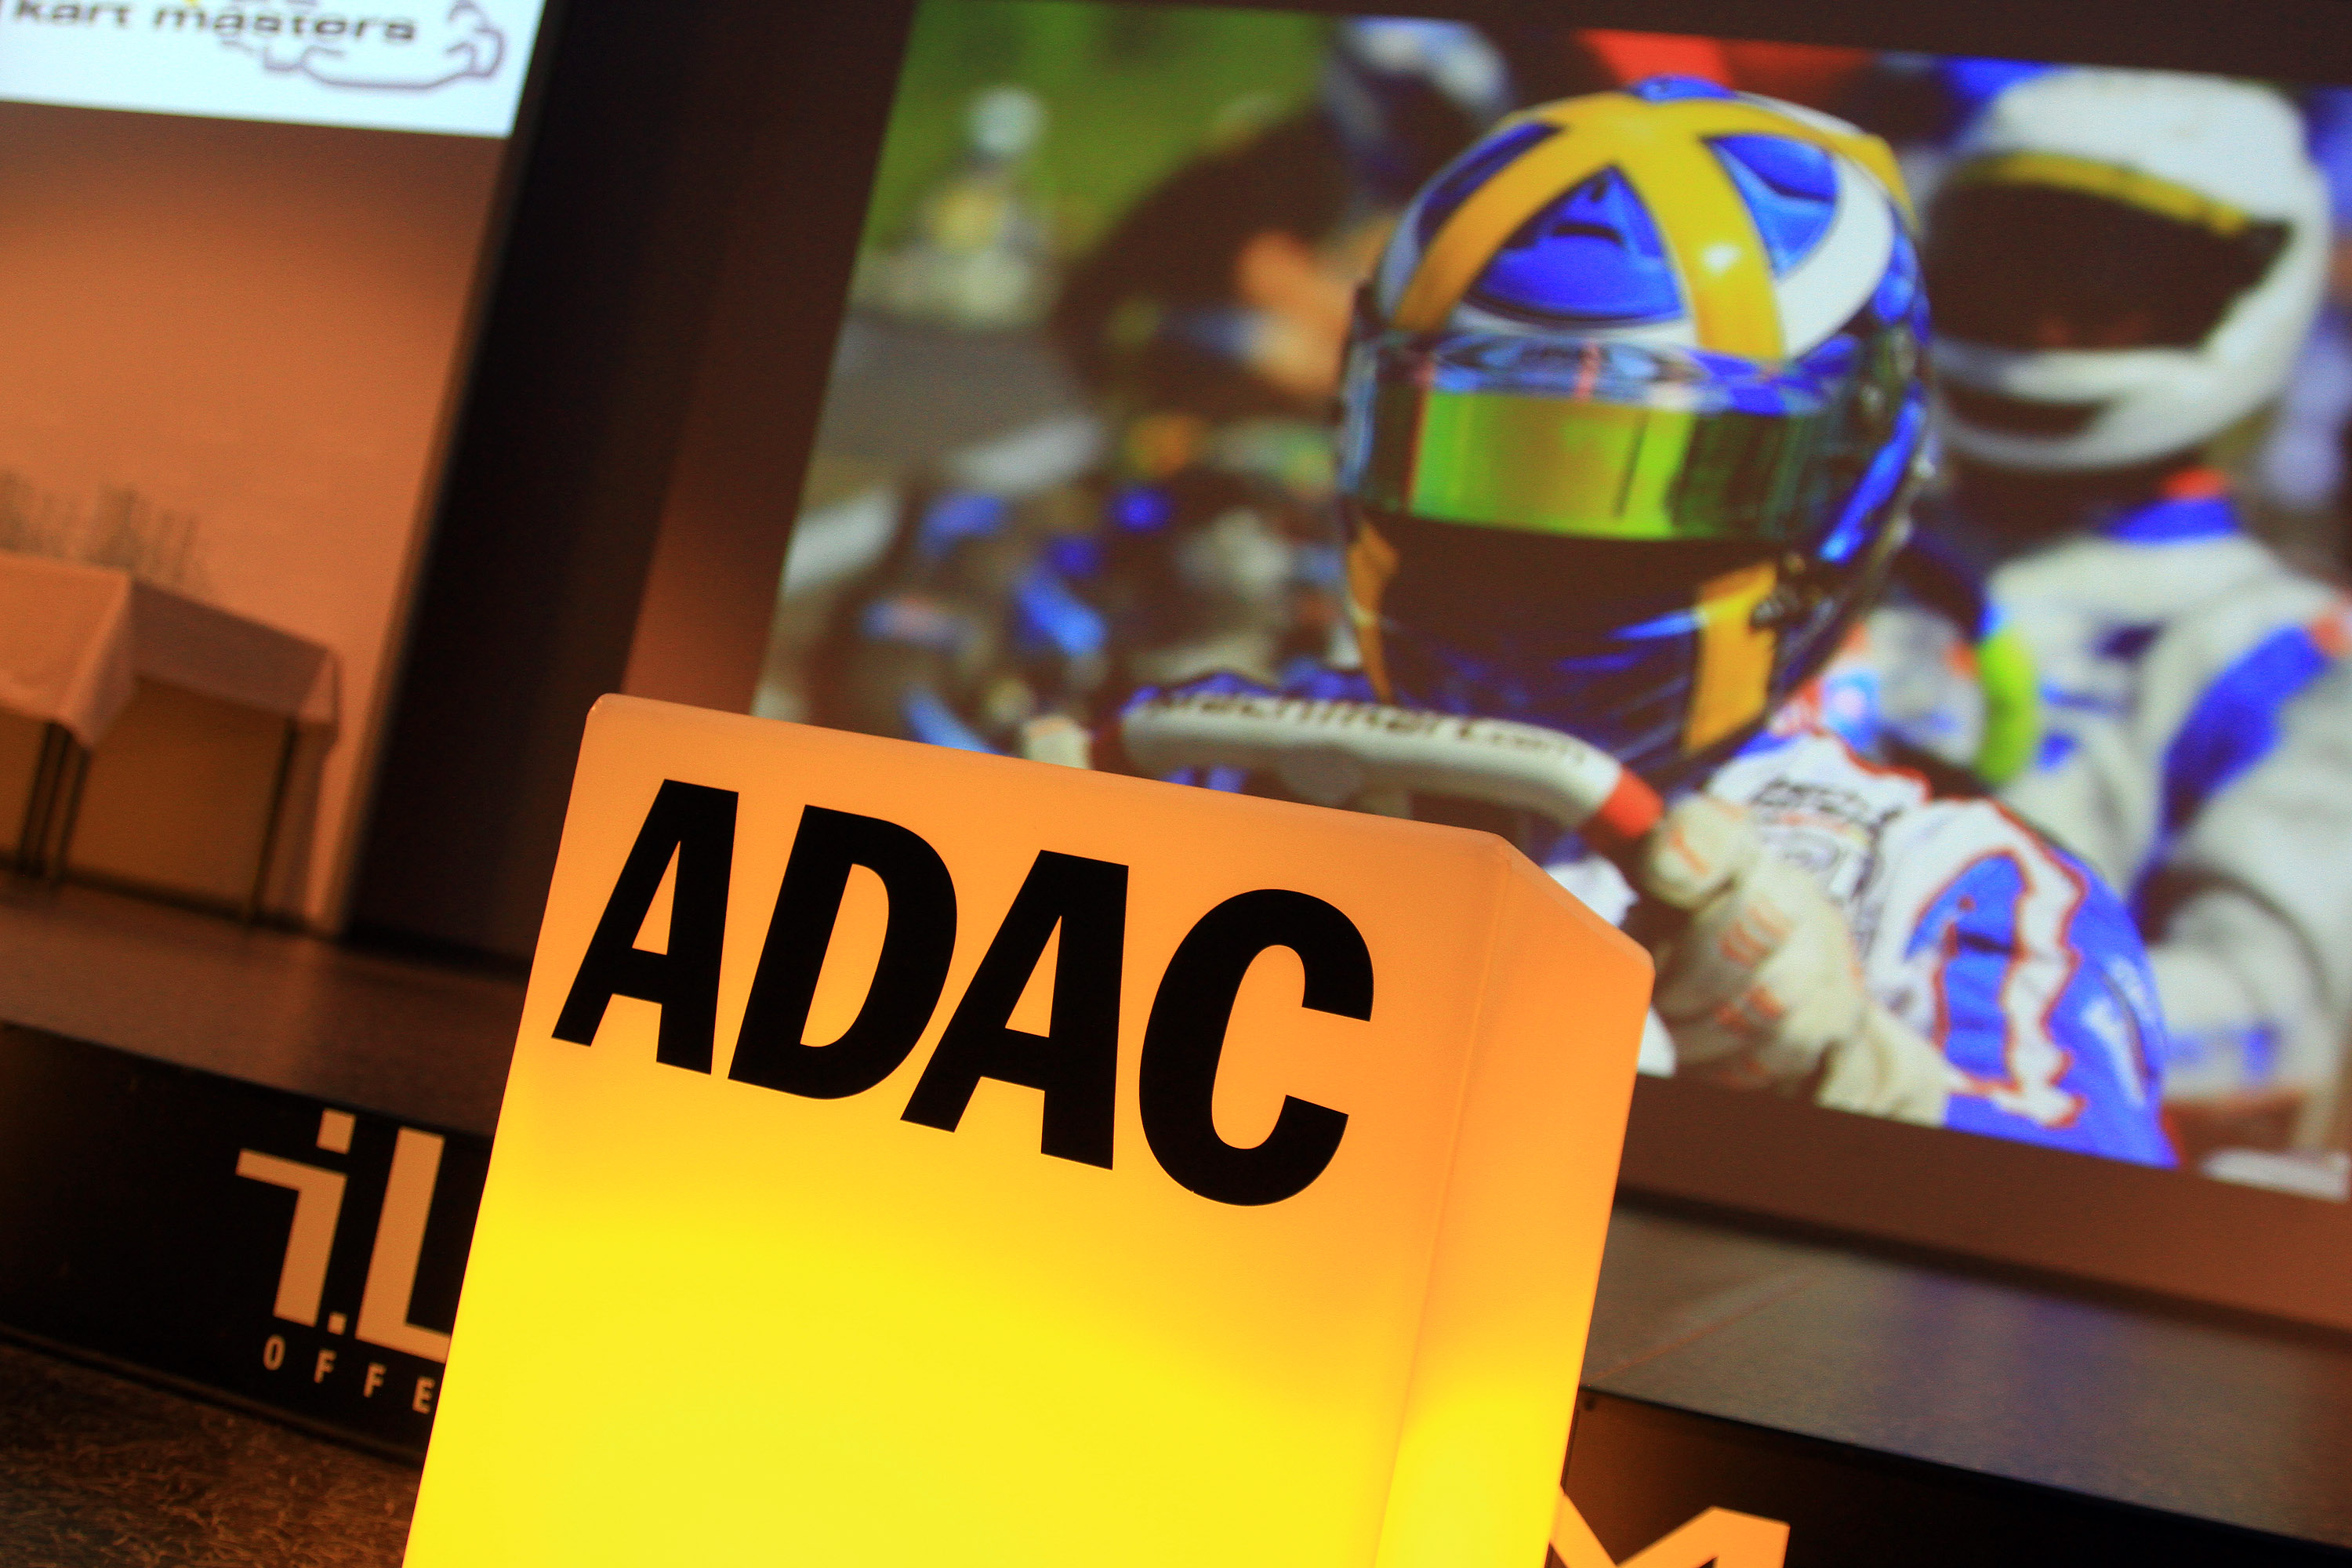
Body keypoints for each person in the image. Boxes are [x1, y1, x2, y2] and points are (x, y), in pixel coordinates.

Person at [1122, 78, 2176, 1163]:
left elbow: (2095, 1214)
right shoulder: (1208, 767)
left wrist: (1853, 1079)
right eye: (1484, 460)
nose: (1542, 553)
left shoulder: (1949, 891)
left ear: (1840, 484)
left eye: (1641, 478)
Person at [1853, 69, 2352, 1162]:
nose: (2047, 328)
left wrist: (1891, 1021)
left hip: (2001, 1167)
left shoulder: (2280, 646)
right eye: (2009, 269)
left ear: (2249, 289)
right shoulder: (1828, 544)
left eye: (2110, 290)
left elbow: (2272, 1017)